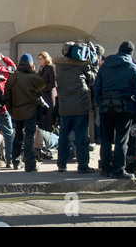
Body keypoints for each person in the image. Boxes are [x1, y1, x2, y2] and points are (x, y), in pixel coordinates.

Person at [94, 41, 136, 179]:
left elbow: (96, 88)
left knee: (105, 139)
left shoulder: (104, 68)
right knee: (121, 140)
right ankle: (118, 170)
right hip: (125, 107)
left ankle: (105, 168)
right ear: (131, 53)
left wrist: (101, 103)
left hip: (106, 107)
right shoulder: (134, 69)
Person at [54, 42, 97, 174]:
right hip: (80, 107)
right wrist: (93, 65)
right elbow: (93, 80)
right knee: (81, 137)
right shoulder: (82, 67)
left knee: (63, 135)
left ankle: (61, 164)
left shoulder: (59, 66)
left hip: (65, 107)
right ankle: (83, 165)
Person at [5, 54, 46, 172]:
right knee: (29, 136)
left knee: (18, 135)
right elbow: (42, 84)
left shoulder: (12, 77)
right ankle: (30, 163)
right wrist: (33, 71)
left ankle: (16, 161)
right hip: (30, 111)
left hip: (17, 111)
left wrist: (11, 110)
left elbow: (7, 95)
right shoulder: (32, 77)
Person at [37, 51, 57, 132]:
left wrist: (43, 88)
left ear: (45, 59)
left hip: (49, 95)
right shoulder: (41, 68)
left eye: (41, 59)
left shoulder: (50, 67)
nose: (39, 61)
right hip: (42, 95)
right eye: (39, 59)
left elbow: (53, 83)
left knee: (49, 115)